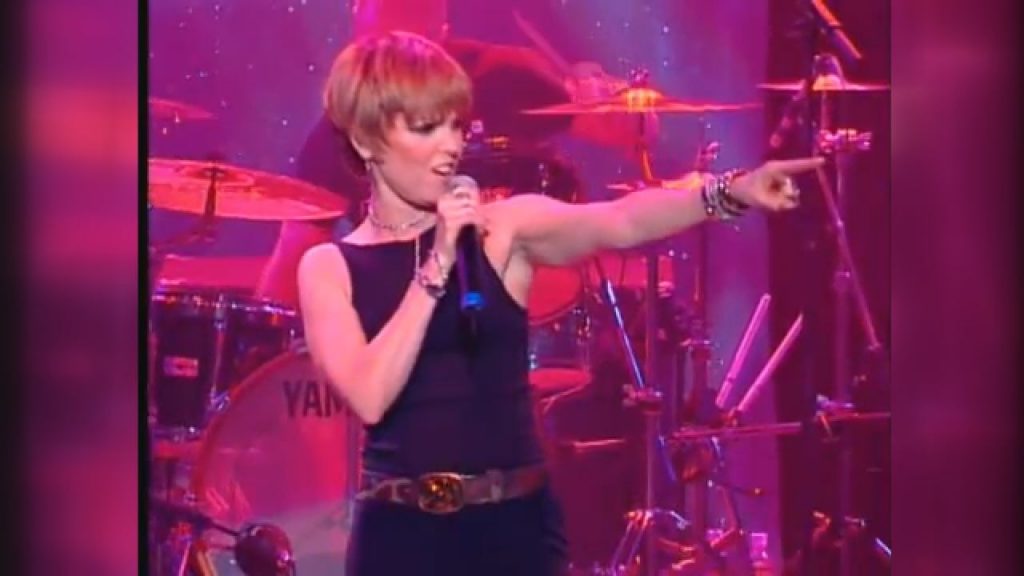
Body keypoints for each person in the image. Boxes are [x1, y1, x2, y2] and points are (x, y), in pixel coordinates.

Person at [296, 30, 821, 575]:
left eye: (455, 125)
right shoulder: (329, 268)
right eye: (428, 128)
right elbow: (370, 396)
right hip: (401, 537)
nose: (451, 146)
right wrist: (436, 265)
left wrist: (728, 193)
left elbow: (619, 222)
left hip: (513, 529)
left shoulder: (501, 231)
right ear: (366, 140)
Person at [255, 0, 657, 308]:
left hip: (527, 300)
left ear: (441, 30)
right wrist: (258, 352)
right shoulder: (340, 129)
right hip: (405, 326)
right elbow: (294, 257)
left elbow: (636, 129)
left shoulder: (503, 76)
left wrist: (610, 100)